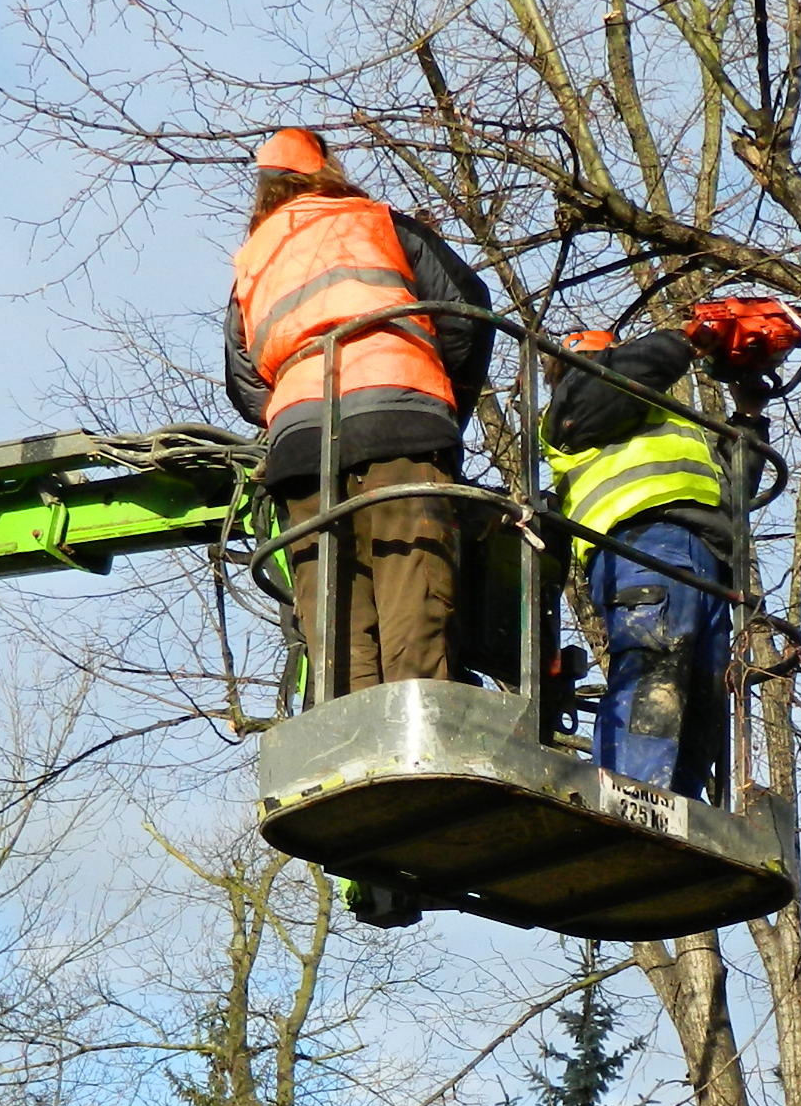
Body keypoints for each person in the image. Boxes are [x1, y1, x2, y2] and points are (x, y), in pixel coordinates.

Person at [225, 127, 495, 690]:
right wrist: (444, 403)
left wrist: (292, 416)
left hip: (299, 445)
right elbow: (466, 309)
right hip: (401, 420)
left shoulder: (252, 262)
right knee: (413, 592)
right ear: (325, 169)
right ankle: (420, 745)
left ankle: (352, 751)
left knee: (333, 616)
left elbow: (244, 380)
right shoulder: (377, 222)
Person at [542, 324, 734, 799]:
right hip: (643, 546)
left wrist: (749, 415)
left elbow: (730, 492)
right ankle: (629, 798)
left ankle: (677, 813)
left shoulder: (661, 417)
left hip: (705, 558)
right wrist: (687, 338)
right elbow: (622, 377)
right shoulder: (574, 407)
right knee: (655, 674)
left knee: (704, 703)